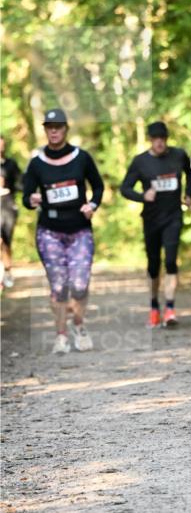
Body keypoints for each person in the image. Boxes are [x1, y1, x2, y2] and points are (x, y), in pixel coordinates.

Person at [22, 109, 104, 354]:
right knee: (58, 286)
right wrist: (31, 199)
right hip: (49, 231)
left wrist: (92, 205)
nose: (54, 131)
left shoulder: (81, 157)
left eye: (58, 127)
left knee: (79, 285)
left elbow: (98, 186)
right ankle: (61, 335)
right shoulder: (37, 163)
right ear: (45, 130)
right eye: (49, 127)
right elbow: (26, 196)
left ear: (66, 129)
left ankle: (78, 325)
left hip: (79, 230)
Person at [120, 121, 191, 327]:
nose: (159, 142)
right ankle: (154, 307)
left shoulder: (178, 155)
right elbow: (125, 188)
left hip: (173, 217)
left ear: (167, 139)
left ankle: (170, 309)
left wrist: (188, 194)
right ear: (150, 140)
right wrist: (142, 196)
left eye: (162, 138)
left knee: (170, 261)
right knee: (154, 265)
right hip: (151, 219)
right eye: (155, 139)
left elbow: (190, 172)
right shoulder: (140, 162)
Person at [0, 134, 22, 288]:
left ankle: (8, 270)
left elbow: (21, 184)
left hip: (8, 206)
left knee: (6, 241)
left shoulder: (11, 164)